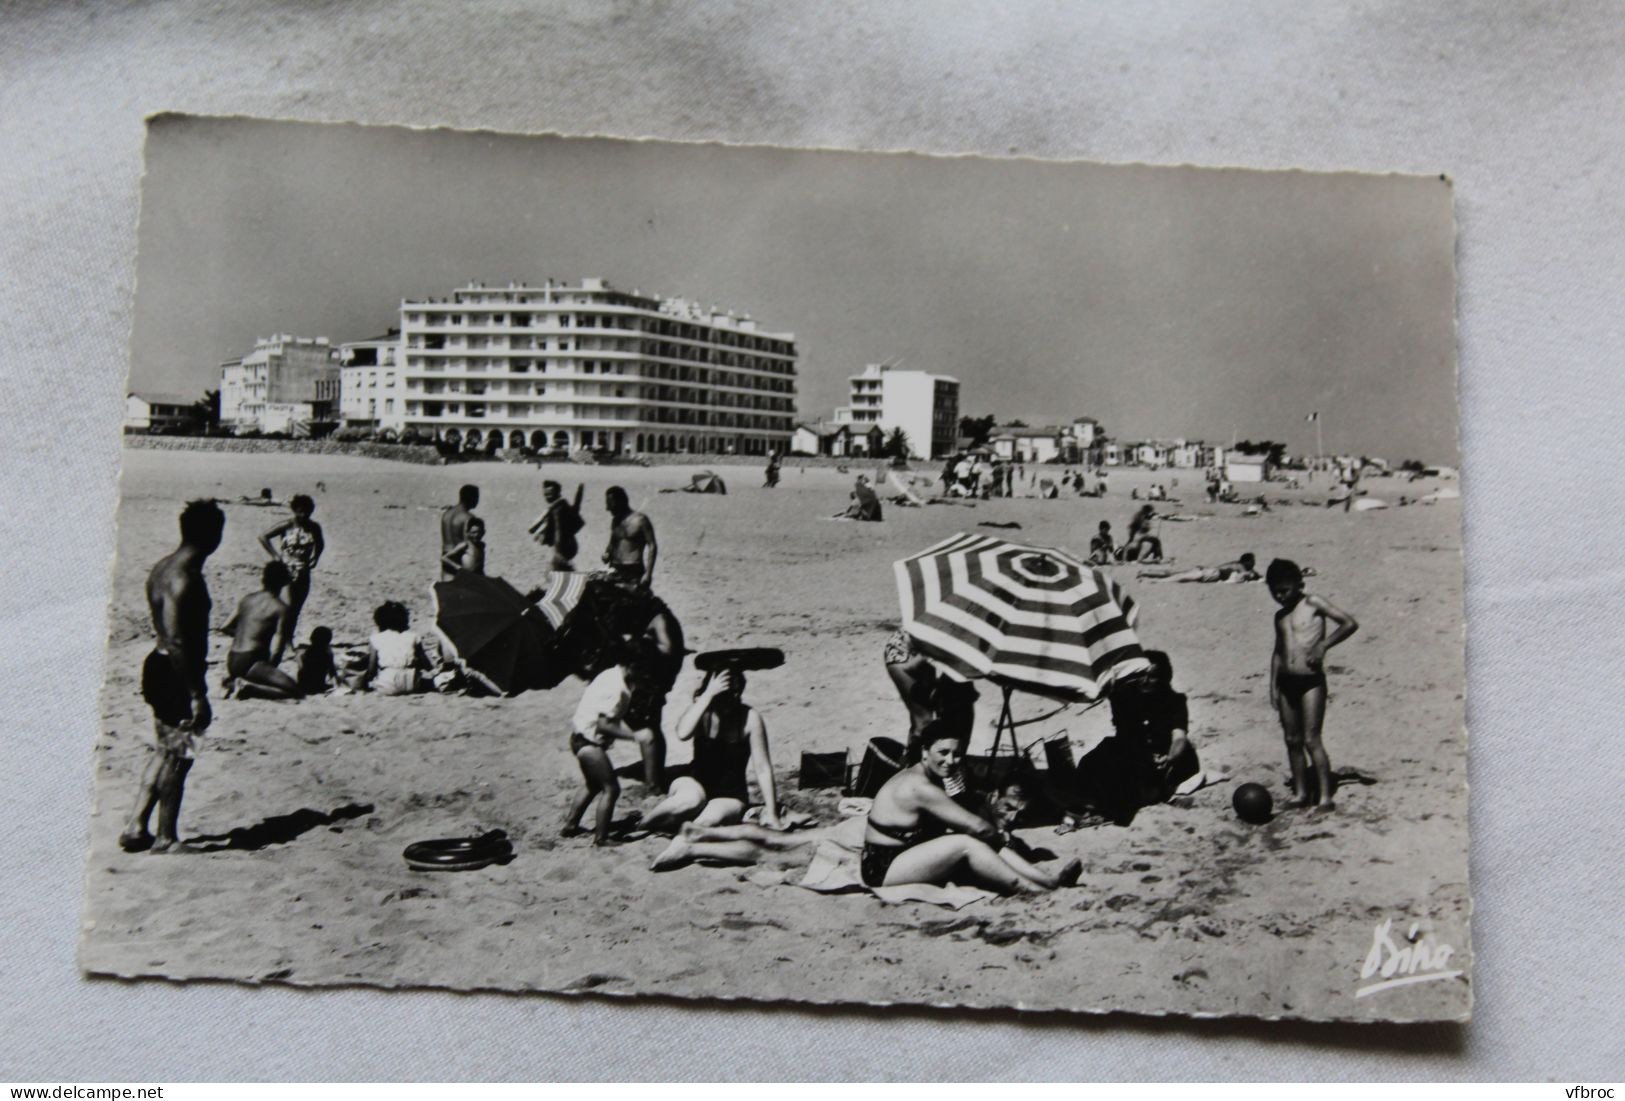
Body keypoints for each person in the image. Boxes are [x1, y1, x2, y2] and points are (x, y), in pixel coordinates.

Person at [860, 722, 1081, 894]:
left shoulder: (925, 774)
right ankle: (1030, 889)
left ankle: (1048, 881)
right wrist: (1001, 837)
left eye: (957, 754)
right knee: (969, 841)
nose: (951, 760)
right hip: (881, 868)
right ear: (925, 751)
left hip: (902, 854)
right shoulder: (921, 787)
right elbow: (977, 827)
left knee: (979, 837)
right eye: (943, 752)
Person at [120, 499, 225, 854]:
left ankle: (136, 825)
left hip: (159, 663)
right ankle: (166, 837)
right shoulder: (186, 579)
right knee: (180, 755)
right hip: (177, 671)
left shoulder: (162, 568)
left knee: (166, 750)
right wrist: (196, 693)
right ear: (213, 535)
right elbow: (180, 640)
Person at [638, 665, 780, 834]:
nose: (731, 699)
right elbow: (683, 733)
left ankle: (682, 834)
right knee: (690, 801)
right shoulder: (703, 711)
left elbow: (763, 768)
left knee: (707, 821)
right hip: (694, 782)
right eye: (725, 694)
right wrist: (707, 695)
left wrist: (771, 813)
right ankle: (641, 825)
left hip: (730, 794)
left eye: (736, 693)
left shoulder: (750, 718)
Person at [1268, 558, 1360, 810]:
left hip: (1311, 682)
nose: (1279, 596)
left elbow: (1349, 623)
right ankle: (1299, 793)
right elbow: (1277, 653)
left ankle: (1325, 797)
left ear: (1299, 585)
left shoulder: (1313, 603)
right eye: (1274, 591)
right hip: (1286, 683)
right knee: (1291, 739)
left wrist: (1323, 645)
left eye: (1284, 590)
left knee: (1311, 738)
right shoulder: (1280, 616)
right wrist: (1272, 686)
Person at [563, 645, 666, 844]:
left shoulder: (612, 675)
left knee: (592, 784)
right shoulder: (616, 688)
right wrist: (635, 736)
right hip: (589, 743)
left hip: (580, 738)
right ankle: (601, 838)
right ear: (632, 665)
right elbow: (604, 725)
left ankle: (570, 825)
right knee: (611, 789)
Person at [1104, 651, 1201, 807]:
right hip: (1134, 752)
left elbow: (1179, 737)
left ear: (1163, 679)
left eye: (1153, 676)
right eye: (1141, 675)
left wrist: (1171, 757)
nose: (1145, 681)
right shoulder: (1123, 698)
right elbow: (1124, 736)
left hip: (1165, 754)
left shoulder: (1175, 701)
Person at [222, 561, 303, 701]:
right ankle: (249, 689)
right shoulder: (281, 608)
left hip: (232, 658)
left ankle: (236, 682)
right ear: (284, 581)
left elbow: (225, 627)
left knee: (263, 677)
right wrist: (270, 670)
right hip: (253, 661)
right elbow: (277, 648)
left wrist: (247, 634)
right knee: (294, 690)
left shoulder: (246, 599)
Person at [257, 493, 324, 641]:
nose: (304, 514)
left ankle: (288, 639)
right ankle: (278, 637)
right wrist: (275, 555)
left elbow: (320, 543)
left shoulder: (314, 527)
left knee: (297, 608)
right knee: (286, 606)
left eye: (307, 511)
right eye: (300, 511)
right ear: (295, 510)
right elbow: (263, 536)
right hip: (286, 570)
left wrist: (316, 558)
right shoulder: (286, 525)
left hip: (304, 570)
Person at [356, 601, 427, 696]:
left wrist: (365, 681)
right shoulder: (414, 636)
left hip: (388, 684)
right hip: (412, 684)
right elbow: (424, 663)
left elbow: (372, 669)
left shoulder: (375, 638)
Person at [602, 485, 657, 591]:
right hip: (615, 569)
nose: (607, 508)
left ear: (621, 501)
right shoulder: (615, 521)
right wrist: (607, 553)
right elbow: (612, 542)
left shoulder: (641, 520)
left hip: (633, 570)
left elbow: (652, 546)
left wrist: (649, 574)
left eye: (610, 504)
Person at [530, 480, 583, 573]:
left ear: (558, 493)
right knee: (559, 570)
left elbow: (574, 513)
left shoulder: (559, 507)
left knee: (557, 571)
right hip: (563, 547)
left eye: (550, 494)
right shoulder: (555, 508)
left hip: (564, 548)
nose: (547, 497)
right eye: (545, 494)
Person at [440, 484, 479, 580]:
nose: (477, 501)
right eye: (476, 497)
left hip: (446, 555)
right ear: (471, 498)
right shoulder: (469, 517)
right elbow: (469, 544)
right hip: (460, 557)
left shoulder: (446, 514)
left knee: (447, 588)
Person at [1139, 553, 1259, 583]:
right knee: (1179, 577)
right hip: (1210, 573)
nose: (1253, 564)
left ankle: (1148, 572)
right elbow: (1252, 575)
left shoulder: (1236, 564)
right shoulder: (1241, 567)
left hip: (1207, 569)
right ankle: (1153, 580)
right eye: (1252, 562)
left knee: (1175, 573)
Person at [295, 626, 342, 696]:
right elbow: (332, 671)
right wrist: (336, 685)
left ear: (312, 638)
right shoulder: (328, 653)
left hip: (304, 685)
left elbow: (301, 669)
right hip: (319, 685)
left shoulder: (307, 652)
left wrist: (299, 657)